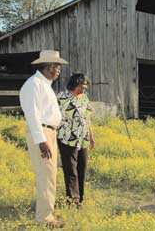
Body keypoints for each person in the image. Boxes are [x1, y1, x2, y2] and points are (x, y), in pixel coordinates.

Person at [19, 50, 68, 229]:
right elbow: (32, 115)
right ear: (47, 67)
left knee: (49, 175)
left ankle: (47, 212)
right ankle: (45, 218)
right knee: (46, 175)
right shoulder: (34, 84)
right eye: (57, 66)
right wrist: (42, 141)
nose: (59, 70)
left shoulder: (44, 84)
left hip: (49, 133)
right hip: (42, 134)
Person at [56, 73, 95, 208]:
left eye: (85, 85)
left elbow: (87, 118)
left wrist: (91, 136)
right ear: (75, 84)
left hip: (82, 138)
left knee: (82, 168)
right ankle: (73, 200)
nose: (85, 87)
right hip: (67, 138)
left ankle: (81, 198)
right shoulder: (62, 97)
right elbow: (54, 116)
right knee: (71, 170)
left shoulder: (84, 98)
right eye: (83, 84)